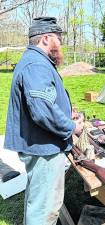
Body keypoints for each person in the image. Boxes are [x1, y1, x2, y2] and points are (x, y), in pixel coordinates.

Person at [4, 17, 84, 225]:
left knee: (37, 202)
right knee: (44, 210)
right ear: (47, 38)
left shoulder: (36, 61)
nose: (61, 42)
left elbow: (43, 103)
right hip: (44, 149)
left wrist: (66, 114)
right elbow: (43, 111)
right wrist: (72, 126)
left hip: (42, 145)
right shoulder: (36, 65)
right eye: (58, 38)